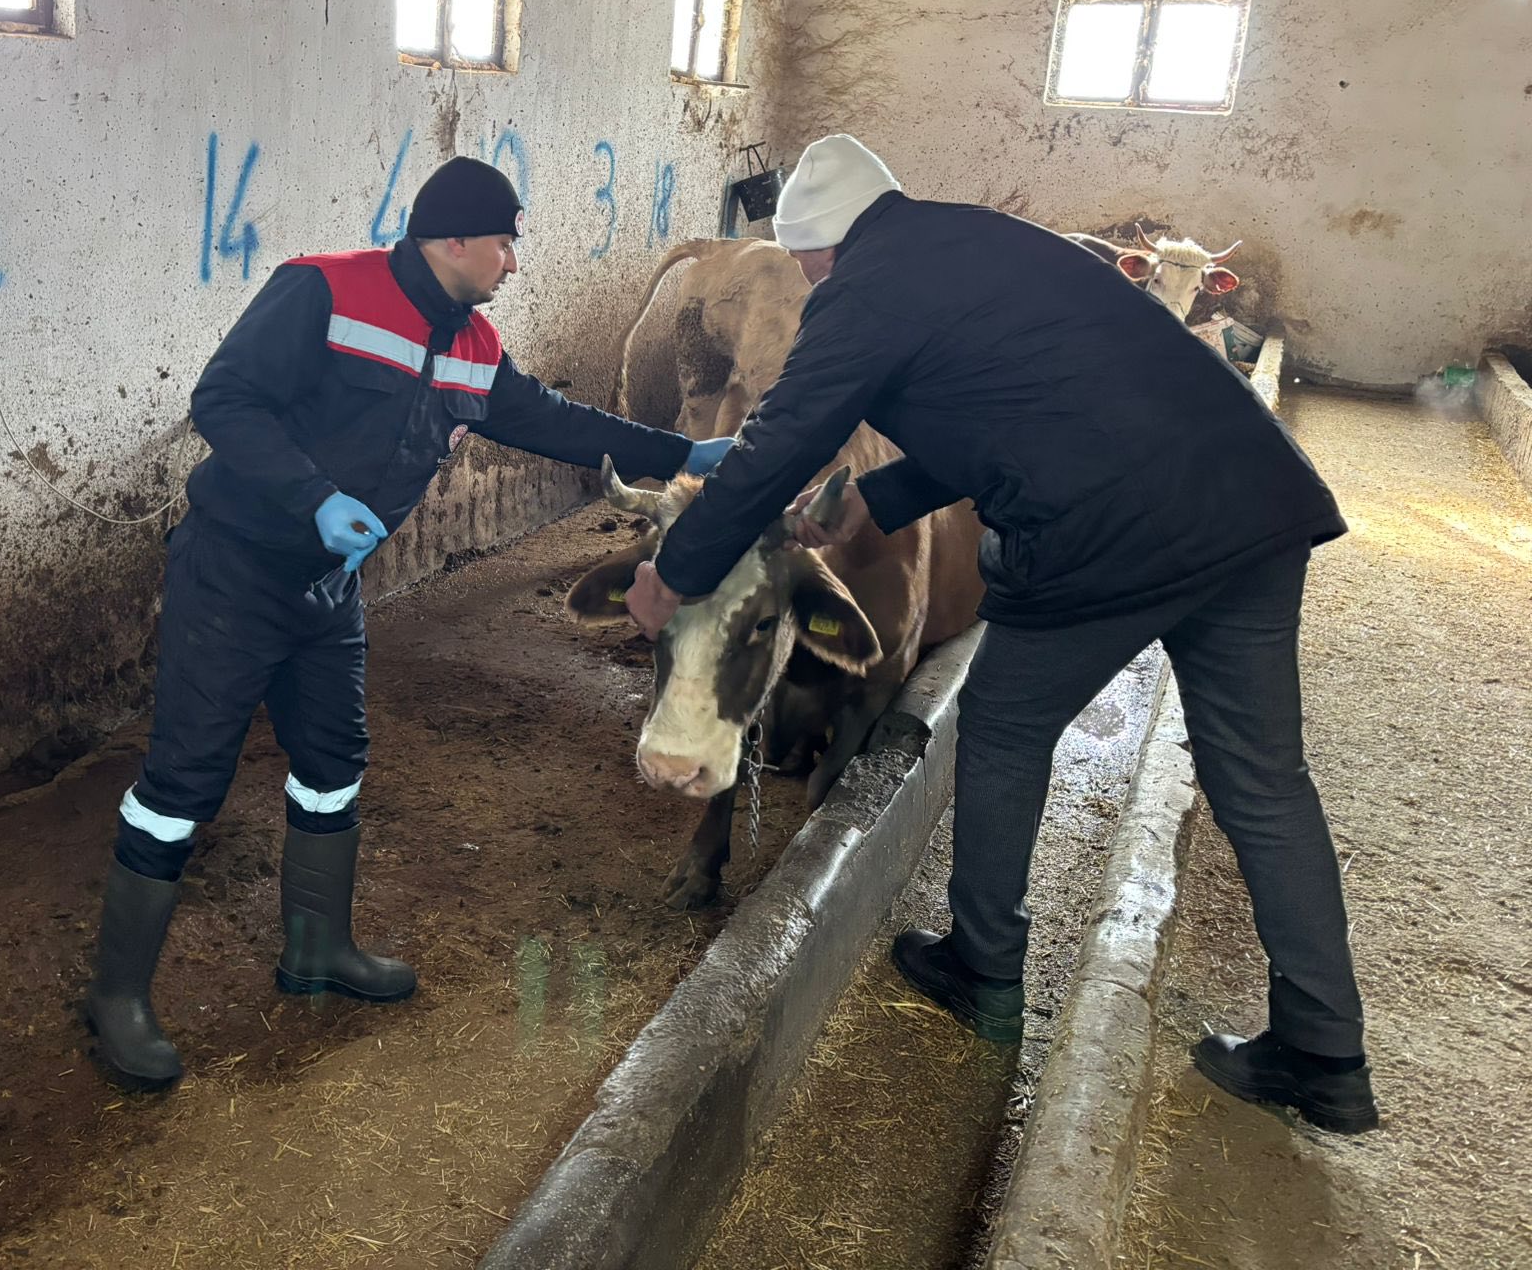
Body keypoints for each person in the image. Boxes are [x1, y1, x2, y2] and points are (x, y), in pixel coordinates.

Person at [623, 134, 1379, 1135]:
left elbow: (779, 441)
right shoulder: (989, 243)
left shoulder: (860, 287)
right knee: (1263, 782)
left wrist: (672, 574)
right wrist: (876, 500)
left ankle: (979, 968)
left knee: (1003, 728)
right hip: (1252, 509)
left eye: (806, 262)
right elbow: (1011, 408)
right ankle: (1324, 1055)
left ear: (823, 249)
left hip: (1110, 534)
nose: (804, 276)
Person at [85, 156, 734, 1090]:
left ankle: (317, 948)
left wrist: (683, 452)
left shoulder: (472, 345)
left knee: (333, 767)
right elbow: (223, 399)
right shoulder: (322, 291)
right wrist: (310, 499)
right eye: (506, 242)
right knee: (182, 780)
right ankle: (118, 996)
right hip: (235, 571)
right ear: (455, 239)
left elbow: (549, 419)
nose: (514, 262)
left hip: (327, 588)